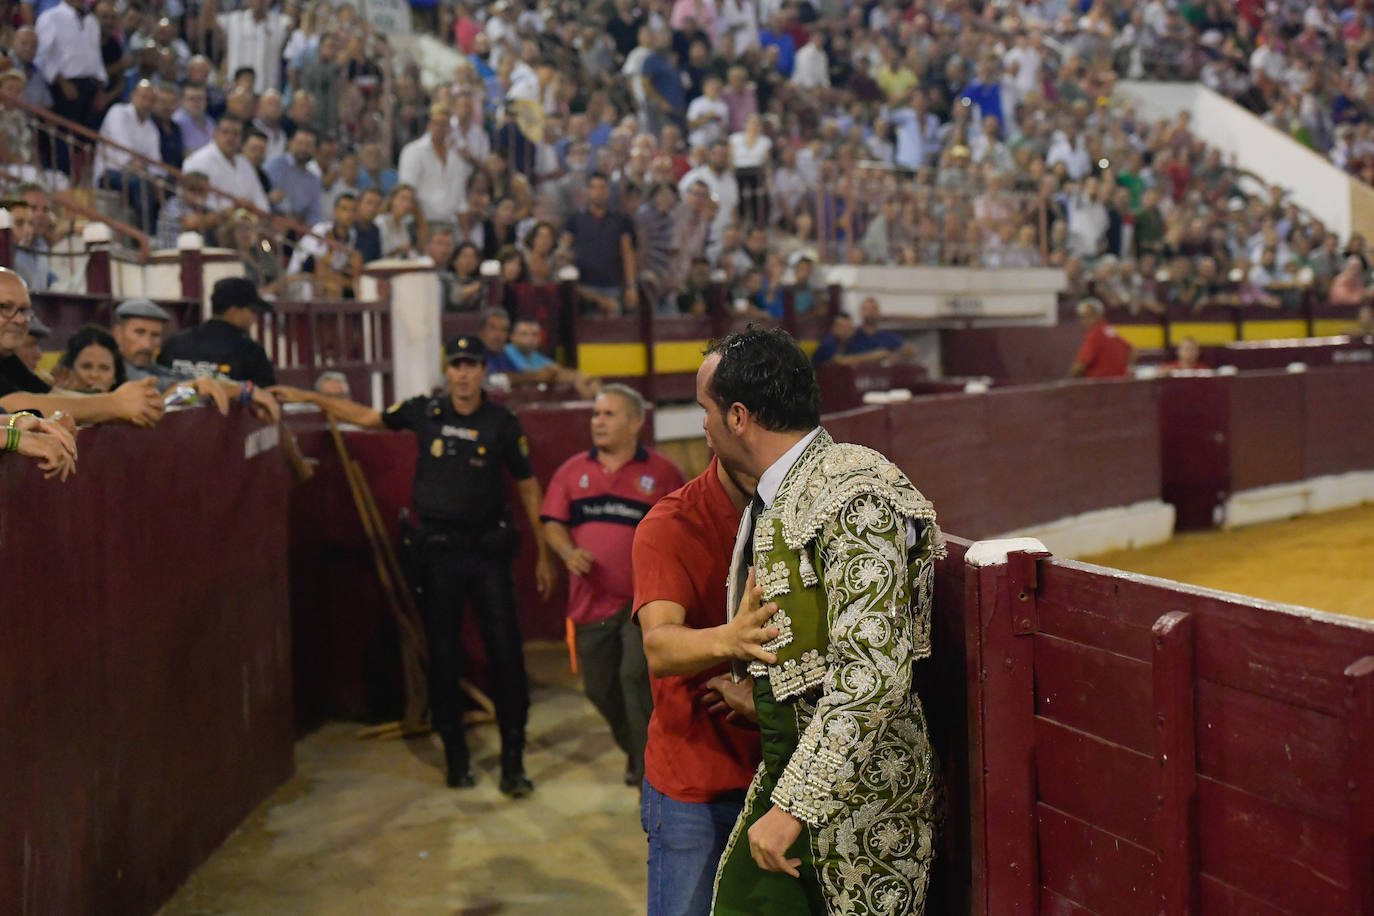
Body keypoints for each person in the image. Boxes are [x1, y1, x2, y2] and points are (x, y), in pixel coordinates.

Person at [699, 327, 944, 916]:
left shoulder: (852, 490)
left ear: (737, 416)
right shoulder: (782, 494)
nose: (701, 426)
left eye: (703, 410)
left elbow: (874, 672)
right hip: (795, 774)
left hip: (860, 807)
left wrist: (792, 808)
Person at [271, 334, 555, 797]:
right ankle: (457, 760)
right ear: (449, 372)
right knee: (442, 657)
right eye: (457, 365)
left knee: (506, 657)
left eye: (472, 365)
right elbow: (366, 416)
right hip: (438, 554)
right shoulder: (426, 410)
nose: (464, 374)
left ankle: (513, 764)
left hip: (487, 554)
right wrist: (308, 397)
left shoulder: (502, 421)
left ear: (484, 371)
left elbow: (527, 484)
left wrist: (543, 551)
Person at [634, 452, 767, 916]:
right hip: (699, 787)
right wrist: (734, 639)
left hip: (788, 784)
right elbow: (661, 648)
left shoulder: (807, 508)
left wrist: (767, 703)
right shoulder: (673, 523)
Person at [541, 385, 684, 786]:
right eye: (595, 414)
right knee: (599, 688)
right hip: (591, 605)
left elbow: (682, 529)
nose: (598, 422)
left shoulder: (662, 473)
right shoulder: (572, 472)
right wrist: (567, 552)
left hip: (644, 603)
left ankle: (649, 774)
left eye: (608, 414)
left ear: (636, 422)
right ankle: (636, 752)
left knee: (634, 679)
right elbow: (552, 522)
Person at [0, 268, 163, 427]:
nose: (19, 319)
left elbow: (48, 394)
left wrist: (122, 403)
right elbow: (10, 405)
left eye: (24, 310)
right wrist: (114, 404)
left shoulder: (6, 357)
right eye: (4, 307)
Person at [112, 298, 278, 420]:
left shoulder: (151, 367)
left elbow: (189, 382)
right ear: (118, 334)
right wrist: (244, 391)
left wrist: (235, 390)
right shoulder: (113, 367)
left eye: (155, 335)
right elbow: (171, 389)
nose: (147, 345)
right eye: (139, 333)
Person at [157, 277, 277, 387]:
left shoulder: (174, 343)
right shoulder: (249, 351)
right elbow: (266, 396)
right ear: (233, 311)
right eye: (253, 311)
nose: (254, 318)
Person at [562, 172, 639, 314]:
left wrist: (631, 286)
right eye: (593, 187)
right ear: (587, 191)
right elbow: (564, 249)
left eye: (602, 187)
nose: (598, 192)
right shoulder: (575, 219)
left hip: (612, 285)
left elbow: (628, 253)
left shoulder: (621, 220)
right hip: (583, 288)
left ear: (608, 191)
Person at [501, 317, 600, 399]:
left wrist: (582, 377)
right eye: (524, 334)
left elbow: (557, 369)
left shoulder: (535, 355)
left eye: (534, 335)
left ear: (540, 338)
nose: (529, 339)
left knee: (589, 380)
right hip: (516, 400)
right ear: (512, 336)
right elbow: (534, 374)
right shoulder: (507, 351)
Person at [811, 298, 908, 366]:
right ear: (834, 328)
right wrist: (875, 356)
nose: (845, 331)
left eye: (848, 328)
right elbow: (841, 361)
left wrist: (895, 355)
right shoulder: (829, 343)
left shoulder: (848, 342)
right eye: (840, 327)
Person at [1069, 297, 1133, 379]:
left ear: (1099, 316)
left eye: (1089, 316)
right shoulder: (1109, 329)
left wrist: (1069, 380)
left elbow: (1081, 365)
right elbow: (1132, 351)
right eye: (1083, 317)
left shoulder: (1095, 333)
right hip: (1119, 383)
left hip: (1099, 386)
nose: (1085, 320)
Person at [52, 323, 126, 392]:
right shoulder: (50, 402)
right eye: (86, 367)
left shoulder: (129, 404)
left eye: (104, 368)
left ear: (115, 377)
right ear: (70, 369)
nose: (94, 375)